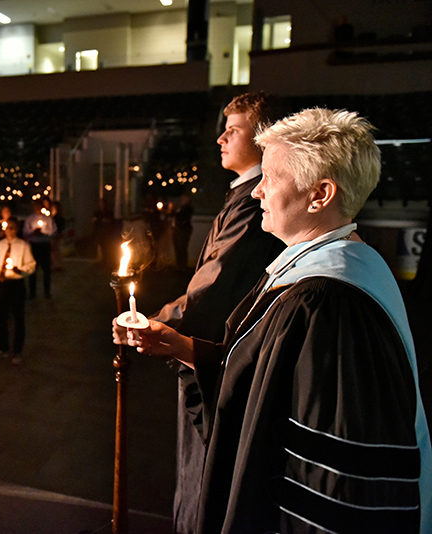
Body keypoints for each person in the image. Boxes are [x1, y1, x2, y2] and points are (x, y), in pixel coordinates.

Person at [117, 108, 432, 533]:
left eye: (271, 178)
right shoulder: (346, 262)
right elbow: (267, 386)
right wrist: (181, 347)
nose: (256, 192)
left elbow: (326, 480)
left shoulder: (328, 300)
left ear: (320, 194)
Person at [147, 92, 285, 534]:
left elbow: (216, 281)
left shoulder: (251, 201)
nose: (221, 137)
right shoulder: (242, 194)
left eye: (235, 129)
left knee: (205, 477)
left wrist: (158, 323)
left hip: (219, 355)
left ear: (263, 139)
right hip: (213, 348)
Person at [0, 218, 36, 364]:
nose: (10, 231)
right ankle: (2, 348)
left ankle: (17, 351)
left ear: (17, 229)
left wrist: (20, 271)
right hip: (1, 284)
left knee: (18, 318)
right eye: (8, 228)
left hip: (16, 284)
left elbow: (31, 265)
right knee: (1, 317)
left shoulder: (23, 246)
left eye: (13, 228)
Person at [23, 200, 56, 299]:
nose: (37, 209)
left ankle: (47, 292)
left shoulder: (48, 219)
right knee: (33, 269)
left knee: (46, 270)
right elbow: (25, 231)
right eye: (35, 207)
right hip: (35, 245)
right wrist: (33, 232)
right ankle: (32, 293)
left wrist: (45, 233)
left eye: (39, 207)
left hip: (44, 244)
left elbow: (53, 231)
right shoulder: (30, 219)